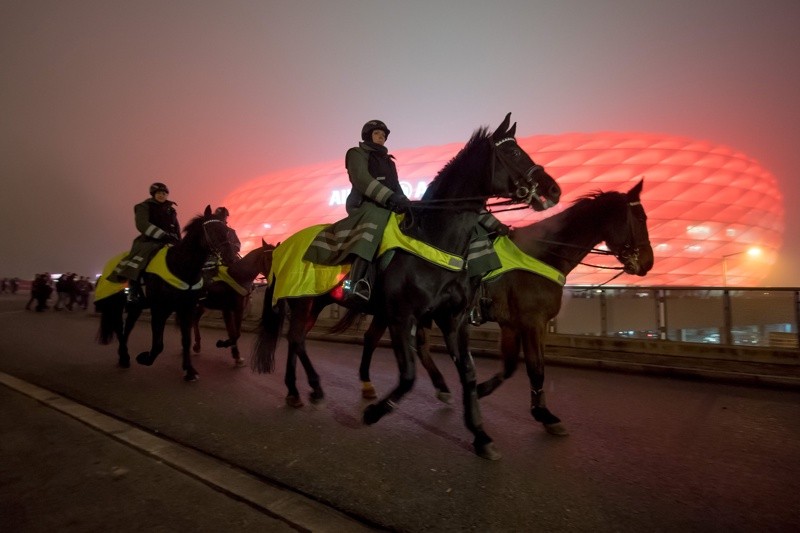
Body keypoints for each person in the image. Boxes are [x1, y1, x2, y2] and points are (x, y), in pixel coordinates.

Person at [304, 120, 409, 302]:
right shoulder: (356, 153)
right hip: (366, 204)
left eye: (383, 135)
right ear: (368, 135)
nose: (381, 137)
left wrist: (406, 202)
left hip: (387, 205)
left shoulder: (389, 161)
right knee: (374, 223)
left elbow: (396, 186)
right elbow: (361, 179)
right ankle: (356, 283)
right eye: (377, 134)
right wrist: (388, 197)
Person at [108, 182, 180, 302]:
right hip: (149, 240)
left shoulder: (171, 210)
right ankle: (133, 289)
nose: (161, 195)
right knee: (142, 259)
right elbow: (142, 224)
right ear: (153, 194)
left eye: (164, 193)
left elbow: (176, 228)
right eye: (158, 193)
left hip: (170, 241)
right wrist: (161, 235)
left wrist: (178, 241)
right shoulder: (144, 206)